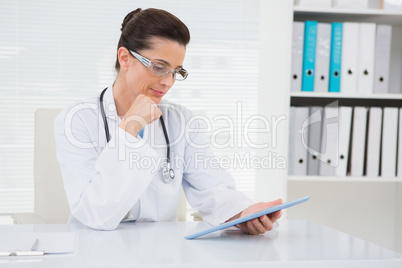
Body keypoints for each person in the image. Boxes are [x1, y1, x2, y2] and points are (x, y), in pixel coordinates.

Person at [54, 8, 282, 233]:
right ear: (124, 58)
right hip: (95, 251)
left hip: (161, 252)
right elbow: (94, 214)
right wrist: (129, 129)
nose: (168, 82)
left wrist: (244, 214)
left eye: (176, 71)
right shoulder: (77, 120)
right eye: (160, 67)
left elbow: (213, 188)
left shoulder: (180, 120)